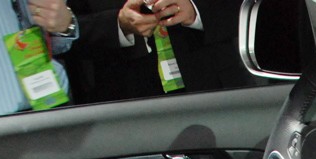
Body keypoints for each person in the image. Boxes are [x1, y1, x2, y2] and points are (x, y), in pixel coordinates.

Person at [67, 0, 248, 103]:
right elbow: (63, 32)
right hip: (125, 103)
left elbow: (253, 6)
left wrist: (195, 10)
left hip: (217, 90)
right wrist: (119, 25)